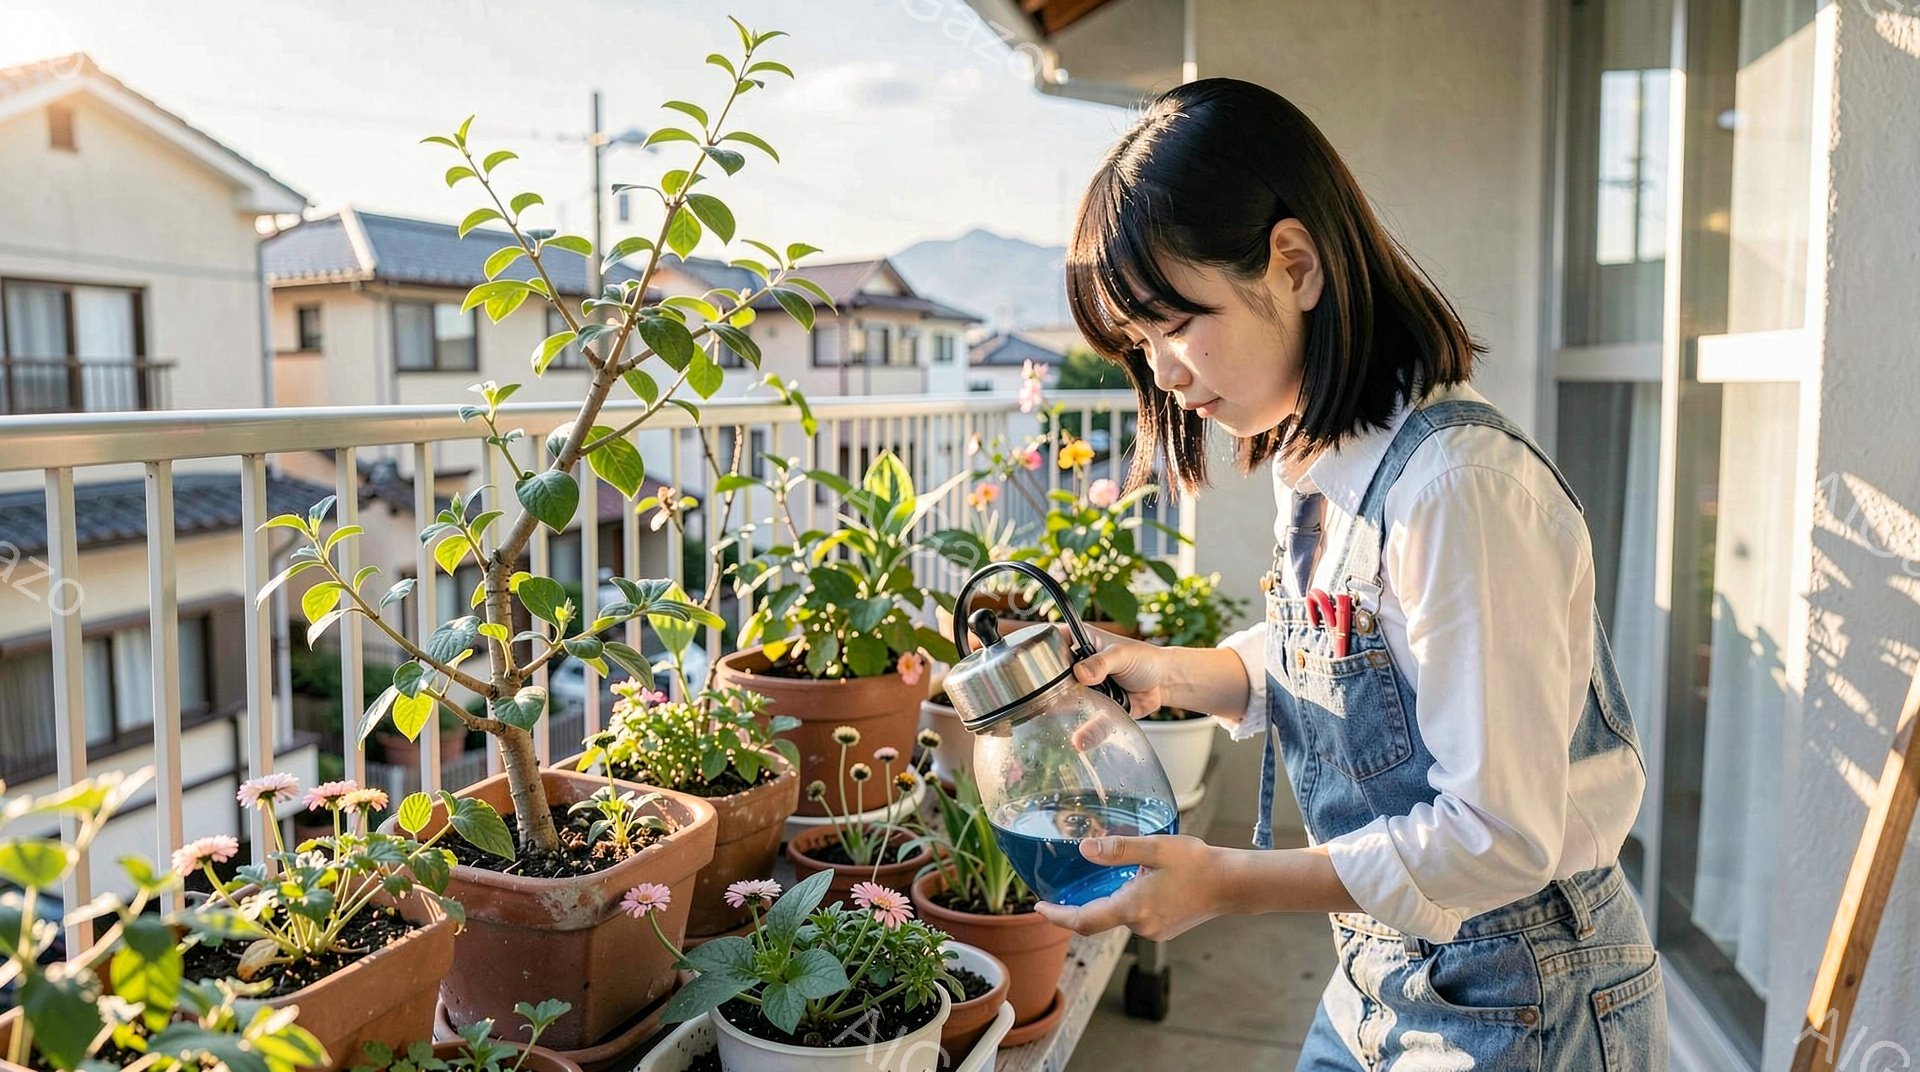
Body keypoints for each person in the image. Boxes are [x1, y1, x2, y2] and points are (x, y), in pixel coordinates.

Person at [1030, 78, 1668, 1069]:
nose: (1163, 372)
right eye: (1141, 344)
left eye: (1177, 323)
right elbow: (1353, 649)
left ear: (1293, 263)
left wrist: (1227, 881)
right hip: (1389, 967)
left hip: (1524, 991)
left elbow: (1498, 833)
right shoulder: (1330, 458)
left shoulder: (1458, 487)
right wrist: (1176, 671)